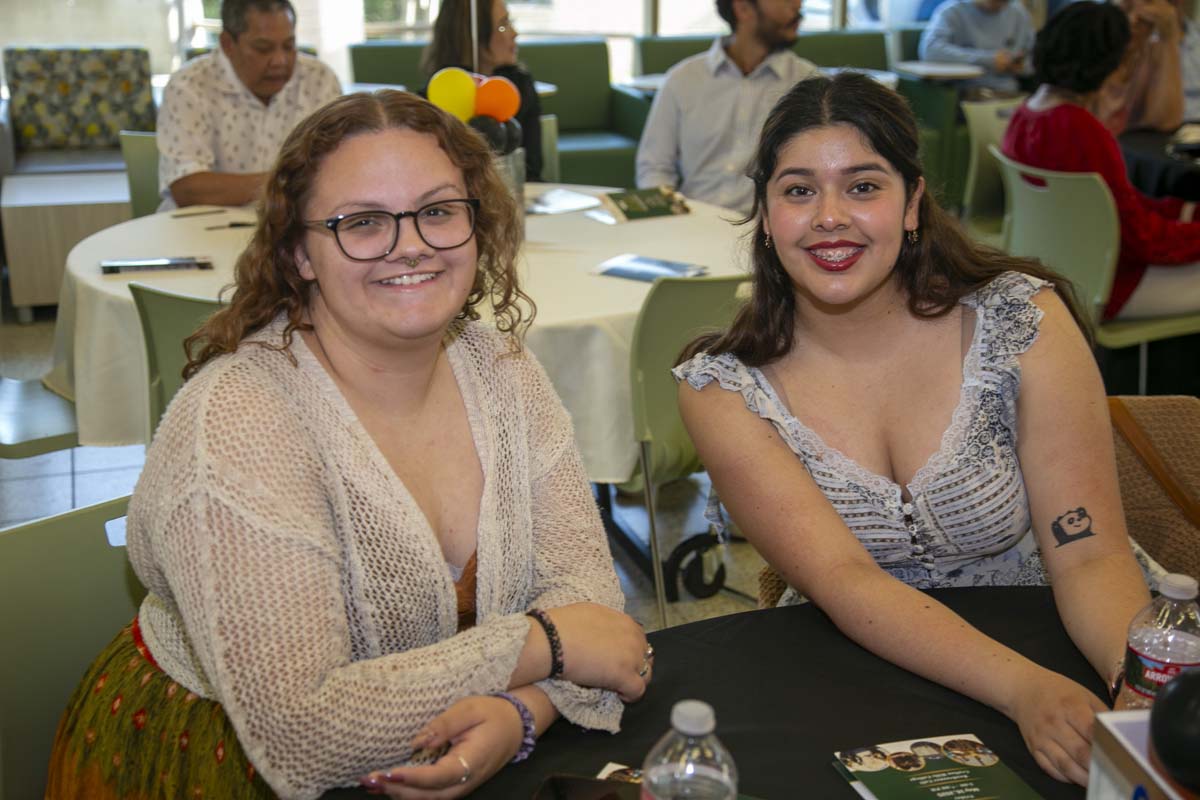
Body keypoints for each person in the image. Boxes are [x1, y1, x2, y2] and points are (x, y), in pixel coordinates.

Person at [45, 90, 651, 800]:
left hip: (463, 734)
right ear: (298, 253)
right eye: (362, 222)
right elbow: (302, 734)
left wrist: (524, 711)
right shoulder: (238, 421)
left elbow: (593, 604)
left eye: (437, 211)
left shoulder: (503, 369)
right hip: (215, 762)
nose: (411, 245)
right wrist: (544, 645)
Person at [674, 73, 1156, 787]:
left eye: (863, 186)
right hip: (860, 667)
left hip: (1064, 630)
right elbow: (848, 583)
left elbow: (1088, 554)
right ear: (766, 216)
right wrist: (1023, 690)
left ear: (912, 204)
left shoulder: (1021, 321)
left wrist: (1140, 687)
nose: (829, 216)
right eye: (799, 190)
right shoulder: (724, 389)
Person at [1004, 2, 1200, 320]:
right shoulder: (1082, 130)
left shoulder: (1025, 115)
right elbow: (1142, 240)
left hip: (1058, 267)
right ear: (1113, 62)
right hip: (1105, 282)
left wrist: (1182, 211)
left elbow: (1112, 206)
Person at [156, 0, 342, 211]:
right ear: (228, 44)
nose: (280, 60)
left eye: (289, 46)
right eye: (263, 49)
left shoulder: (319, 80)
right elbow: (188, 189)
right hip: (199, 223)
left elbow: (338, 171)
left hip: (291, 223)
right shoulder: (189, 86)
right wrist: (287, 182)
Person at [636, 0, 818, 215]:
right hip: (692, 220)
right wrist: (669, 215)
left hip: (765, 228)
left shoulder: (809, 84)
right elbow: (654, 167)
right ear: (743, 9)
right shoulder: (683, 79)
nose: (797, 6)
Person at [422, 0, 543, 182]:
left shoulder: (518, 86)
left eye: (509, 22)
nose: (514, 33)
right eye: (503, 25)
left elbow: (533, 167)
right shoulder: (436, 96)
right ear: (472, 35)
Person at [1096, 0, 1184, 134]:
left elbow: (1166, 122)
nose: (1133, 21)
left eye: (1144, 17)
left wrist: (1169, 38)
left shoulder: (1154, 53)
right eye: (1126, 10)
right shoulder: (1094, 52)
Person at [918, 0, 1036, 94]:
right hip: (963, 93)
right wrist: (988, 60)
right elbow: (930, 51)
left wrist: (1019, 66)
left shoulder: (1019, 14)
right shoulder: (952, 11)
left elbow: (1031, 61)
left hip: (1008, 93)